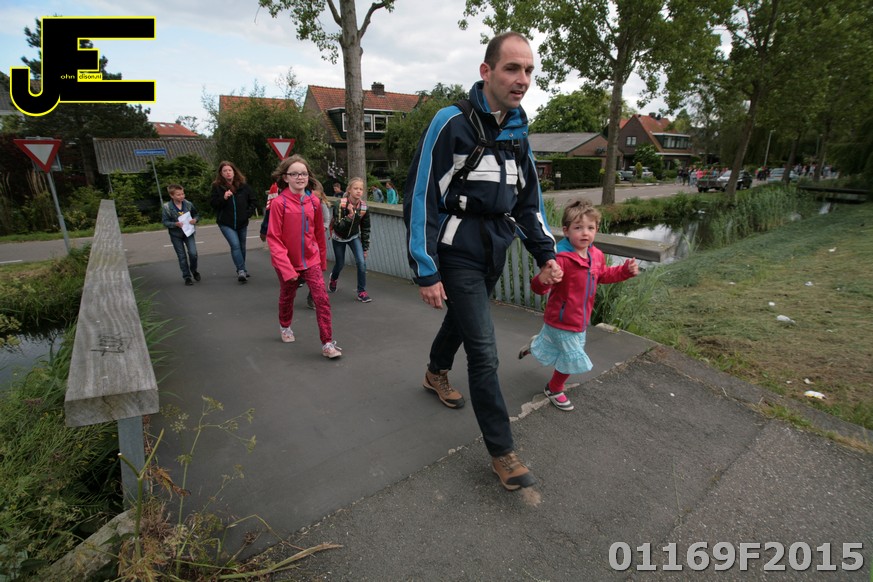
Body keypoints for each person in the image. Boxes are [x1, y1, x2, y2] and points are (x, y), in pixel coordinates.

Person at [403, 31, 562, 491]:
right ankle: (502, 451)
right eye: (512, 68)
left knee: (462, 318)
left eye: (529, 70)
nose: (522, 79)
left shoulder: (518, 132)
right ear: (486, 71)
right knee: (484, 350)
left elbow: (528, 202)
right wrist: (426, 267)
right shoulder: (451, 122)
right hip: (457, 250)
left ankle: (435, 372)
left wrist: (545, 254)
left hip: (495, 247)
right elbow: (421, 194)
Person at [519, 199, 639, 411]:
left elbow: (603, 275)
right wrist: (543, 279)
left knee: (555, 347)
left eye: (590, 228)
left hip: (580, 318)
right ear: (566, 231)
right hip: (562, 319)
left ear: (596, 229)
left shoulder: (596, 255)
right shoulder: (560, 259)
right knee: (572, 358)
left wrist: (624, 271)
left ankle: (535, 345)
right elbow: (540, 287)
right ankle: (554, 388)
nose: (585, 233)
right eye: (578, 228)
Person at [266, 155, 342, 359]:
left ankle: (327, 343)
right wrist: (287, 268)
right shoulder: (279, 204)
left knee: (322, 299)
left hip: (311, 260)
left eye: (304, 173)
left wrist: (321, 261)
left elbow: (318, 235)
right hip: (288, 263)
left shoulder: (314, 202)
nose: (300, 177)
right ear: (285, 177)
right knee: (287, 296)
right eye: (295, 174)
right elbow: (274, 239)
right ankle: (285, 326)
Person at [211, 161, 256, 283]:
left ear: (234, 172)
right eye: (225, 171)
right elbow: (213, 204)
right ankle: (241, 270)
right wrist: (224, 198)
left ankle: (242, 269)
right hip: (226, 223)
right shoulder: (217, 187)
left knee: (242, 247)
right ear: (221, 173)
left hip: (242, 222)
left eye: (230, 170)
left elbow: (253, 201)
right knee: (235, 245)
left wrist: (247, 214)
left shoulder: (243, 186)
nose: (228, 173)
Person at [328, 177, 372, 303]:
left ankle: (361, 291)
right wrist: (350, 216)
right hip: (339, 237)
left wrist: (365, 248)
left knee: (361, 262)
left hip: (353, 237)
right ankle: (333, 278)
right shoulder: (340, 204)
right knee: (340, 264)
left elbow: (365, 229)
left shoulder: (364, 208)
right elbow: (338, 226)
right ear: (349, 190)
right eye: (355, 188)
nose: (358, 191)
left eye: (361, 189)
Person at [161, 184, 200, 286]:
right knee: (182, 256)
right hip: (176, 235)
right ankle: (187, 277)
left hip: (188, 233)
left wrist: (195, 220)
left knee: (193, 253)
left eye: (182, 194)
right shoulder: (167, 207)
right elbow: (165, 222)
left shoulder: (188, 204)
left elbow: (196, 214)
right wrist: (175, 224)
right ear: (172, 195)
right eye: (178, 195)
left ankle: (194, 270)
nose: (181, 196)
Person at [305, 181, 333, 310]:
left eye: (318, 197)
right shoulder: (304, 204)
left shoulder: (322, 205)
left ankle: (312, 297)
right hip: (306, 242)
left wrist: (323, 229)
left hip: (317, 242)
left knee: (317, 273)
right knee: (304, 271)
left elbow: (327, 220)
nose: (315, 199)